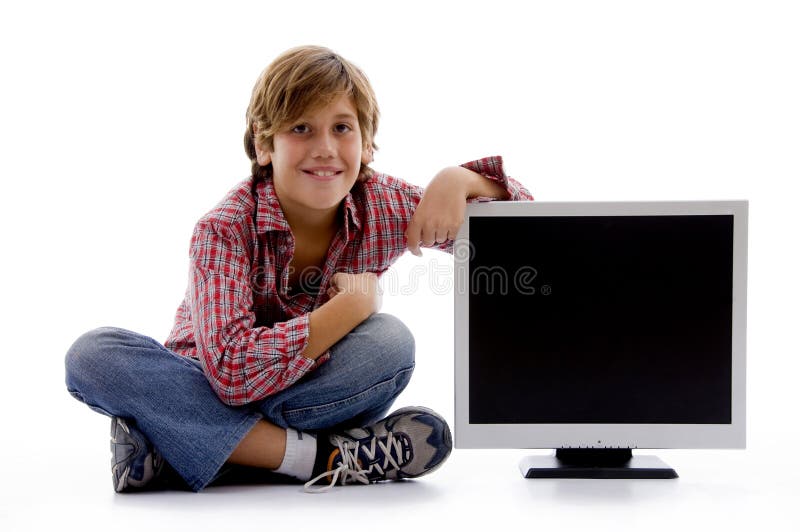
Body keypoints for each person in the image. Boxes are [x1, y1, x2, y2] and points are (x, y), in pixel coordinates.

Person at [64, 45, 534, 494]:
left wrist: (462, 179)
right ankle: (321, 458)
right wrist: (351, 307)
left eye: (342, 128)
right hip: (203, 381)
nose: (325, 148)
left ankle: (187, 441)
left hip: (297, 393)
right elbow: (229, 373)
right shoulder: (224, 229)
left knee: (390, 343)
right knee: (93, 355)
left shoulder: (385, 206)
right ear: (264, 146)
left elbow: (531, 237)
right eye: (301, 129)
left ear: (368, 144)